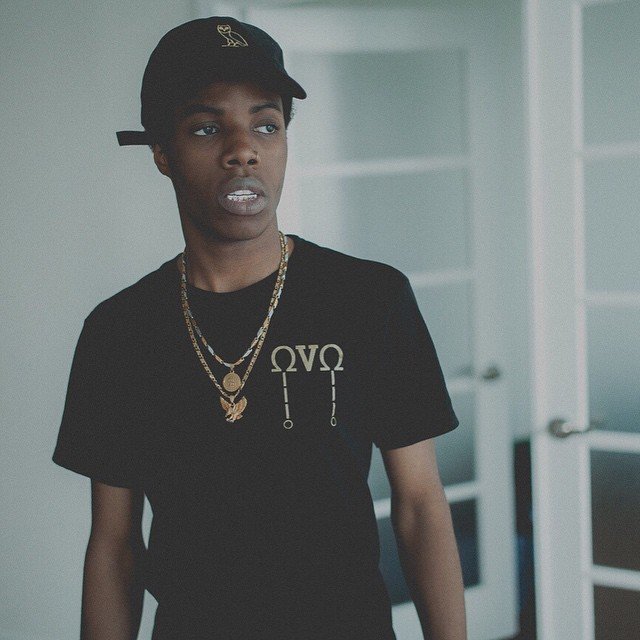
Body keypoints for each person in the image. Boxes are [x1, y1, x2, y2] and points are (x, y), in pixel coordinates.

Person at [52, 16, 467, 640]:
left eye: (266, 125)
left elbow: (420, 508)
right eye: (206, 127)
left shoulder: (369, 299)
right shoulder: (120, 333)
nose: (242, 149)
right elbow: (114, 547)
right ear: (162, 152)